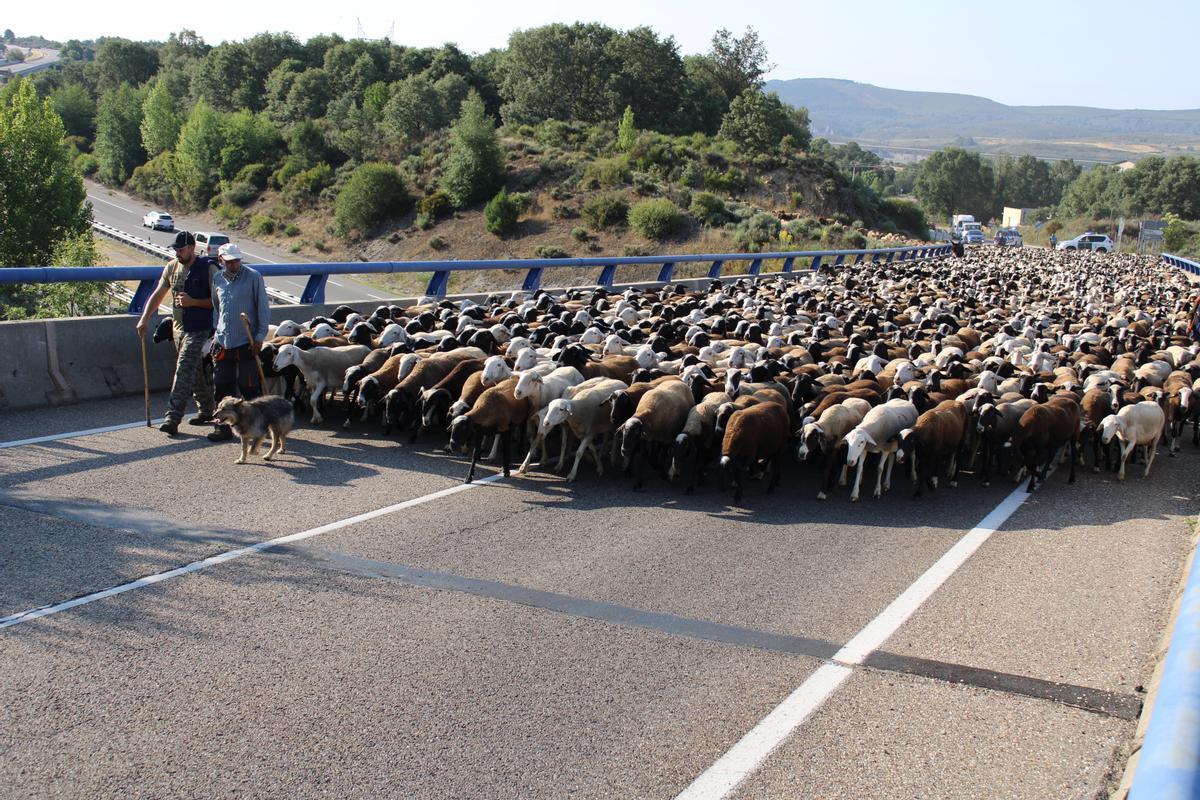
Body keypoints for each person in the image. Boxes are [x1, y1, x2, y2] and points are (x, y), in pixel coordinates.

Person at [134, 230, 217, 435]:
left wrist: (193, 302)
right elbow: (158, 294)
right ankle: (207, 409)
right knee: (194, 371)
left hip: (200, 329)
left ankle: (173, 417)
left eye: (181, 250)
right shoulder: (171, 267)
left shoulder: (208, 268)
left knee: (183, 369)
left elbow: (219, 302)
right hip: (178, 330)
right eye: (176, 250)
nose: (177, 253)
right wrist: (144, 318)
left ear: (192, 248)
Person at [207, 242, 271, 443]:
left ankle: (257, 426)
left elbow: (263, 309)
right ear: (221, 260)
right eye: (229, 262)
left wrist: (259, 338)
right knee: (221, 386)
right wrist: (216, 332)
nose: (233, 265)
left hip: (246, 341)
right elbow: (216, 308)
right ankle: (222, 428)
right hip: (223, 341)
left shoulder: (253, 277)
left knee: (249, 387)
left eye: (236, 261)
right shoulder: (218, 278)